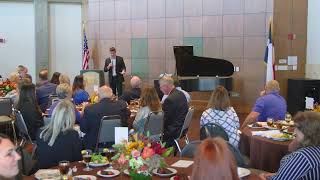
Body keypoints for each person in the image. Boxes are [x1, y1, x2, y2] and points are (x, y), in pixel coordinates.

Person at [260, 111, 320, 180]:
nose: (294, 132)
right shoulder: (315, 149)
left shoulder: (303, 156)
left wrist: (261, 177)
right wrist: (280, 174)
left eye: (297, 128)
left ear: (307, 131)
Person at [33, 100, 82, 171]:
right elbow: (77, 159)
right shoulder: (73, 134)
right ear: (71, 116)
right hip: (63, 171)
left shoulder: (41, 132)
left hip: (42, 172)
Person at [159, 75, 188, 147]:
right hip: (181, 129)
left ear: (166, 86)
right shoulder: (180, 94)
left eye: (160, 86)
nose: (160, 89)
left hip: (173, 132)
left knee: (149, 133)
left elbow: (164, 121)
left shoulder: (169, 100)